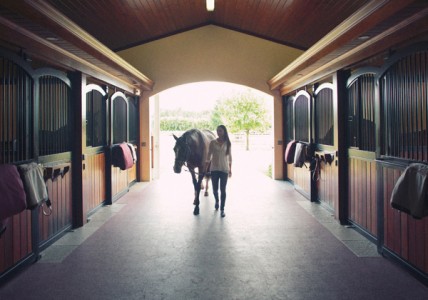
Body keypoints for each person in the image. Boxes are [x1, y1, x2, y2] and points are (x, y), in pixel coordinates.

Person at [206, 125, 232, 217]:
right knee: (214, 190)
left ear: (224, 131)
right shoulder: (212, 142)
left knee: (223, 190)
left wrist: (230, 169)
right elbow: (209, 155)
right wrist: (206, 166)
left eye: (220, 131)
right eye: (217, 131)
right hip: (214, 169)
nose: (218, 132)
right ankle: (217, 200)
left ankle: (222, 209)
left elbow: (230, 157)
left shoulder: (227, 143)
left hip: (224, 169)